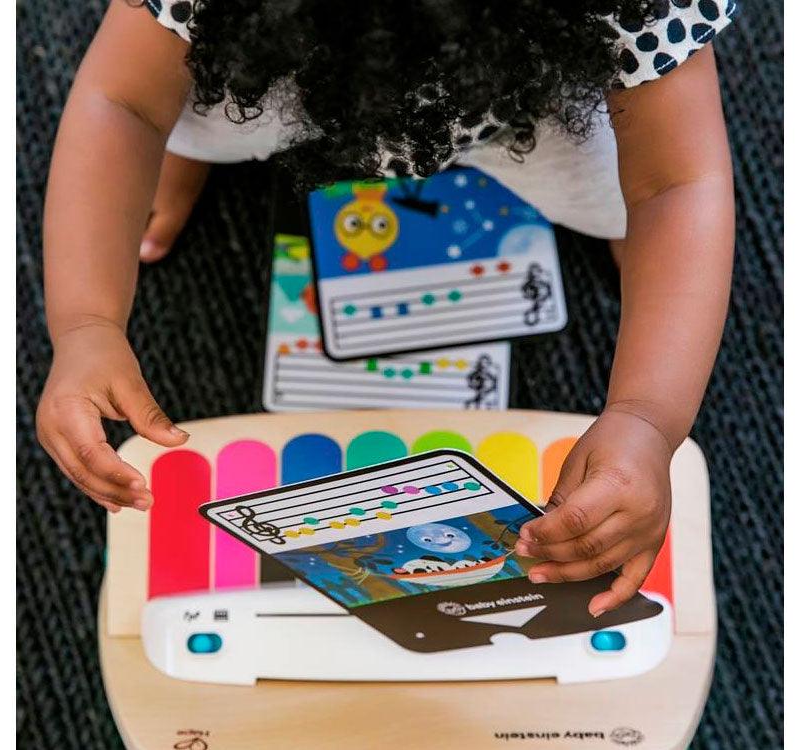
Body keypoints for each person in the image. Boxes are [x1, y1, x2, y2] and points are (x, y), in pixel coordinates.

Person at [36, 1, 737, 617]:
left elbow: (675, 184)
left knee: (632, 193)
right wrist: (88, 321)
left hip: (534, 103)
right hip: (283, 74)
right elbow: (121, 103)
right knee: (177, 95)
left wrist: (647, 416)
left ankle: (621, 225)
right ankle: (186, 132)